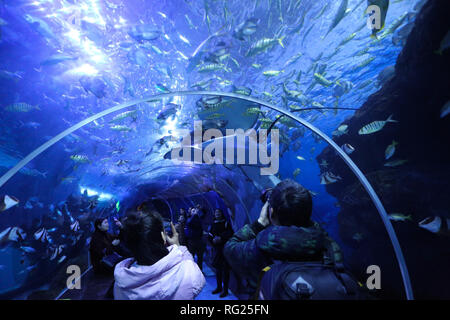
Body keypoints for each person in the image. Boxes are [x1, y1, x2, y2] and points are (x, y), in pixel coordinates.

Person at [223, 179, 344, 298]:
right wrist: (302, 217)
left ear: (271, 212)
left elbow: (230, 248)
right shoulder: (328, 245)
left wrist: (259, 224)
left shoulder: (261, 247)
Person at [114, 210, 205, 300]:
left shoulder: (120, 284)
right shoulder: (187, 272)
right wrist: (178, 246)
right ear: (163, 236)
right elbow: (191, 267)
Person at [207, 208, 234, 298]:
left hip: (225, 250)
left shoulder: (226, 223)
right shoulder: (213, 224)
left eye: (219, 212)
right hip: (217, 251)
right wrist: (213, 241)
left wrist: (221, 238)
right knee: (218, 270)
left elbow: (230, 234)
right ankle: (219, 287)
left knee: (225, 271)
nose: (217, 214)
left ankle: (225, 290)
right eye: (216, 212)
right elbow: (209, 235)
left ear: (222, 214)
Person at [185, 206, 206, 271]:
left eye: (195, 211)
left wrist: (201, 208)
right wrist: (194, 214)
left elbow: (205, 213)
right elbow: (189, 222)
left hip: (200, 240)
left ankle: (200, 270)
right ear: (190, 213)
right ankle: (191, 271)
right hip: (192, 241)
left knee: (200, 257)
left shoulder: (199, 218)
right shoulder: (189, 219)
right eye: (193, 211)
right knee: (191, 257)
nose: (195, 212)